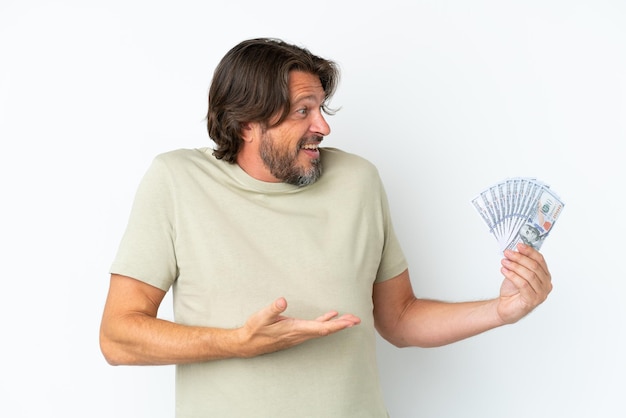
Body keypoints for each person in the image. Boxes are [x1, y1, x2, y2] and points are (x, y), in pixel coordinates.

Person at [99, 38, 553, 418]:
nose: (323, 126)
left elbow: (399, 318)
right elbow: (118, 337)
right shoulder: (176, 181)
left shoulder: (358, 182)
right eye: (303, 111)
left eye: (321, 107)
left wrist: (502, 310)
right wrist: (238, 343)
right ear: (248, 123)